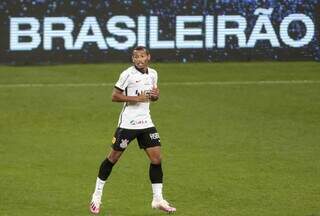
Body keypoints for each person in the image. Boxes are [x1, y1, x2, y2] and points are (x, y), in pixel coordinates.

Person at [89, 46, 176, 214]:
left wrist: (155, 96)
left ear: (148, 57)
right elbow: (115, 96)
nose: (139, 59)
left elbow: (153, 96)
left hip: (146, 123)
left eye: (142, 56)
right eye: (136, 57)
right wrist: (137, 98)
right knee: (112, 159)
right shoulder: (127, 74)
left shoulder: (153, 74)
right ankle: (96, 196)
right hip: (127, 124)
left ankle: (158, 199)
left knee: (157, 159)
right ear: (133, 59)